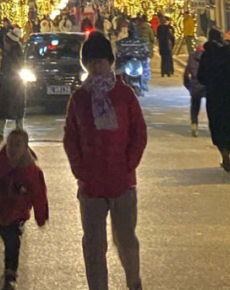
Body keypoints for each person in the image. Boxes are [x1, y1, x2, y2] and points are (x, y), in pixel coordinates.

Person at [63, 32, 147, 290]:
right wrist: (81, 171)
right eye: (91, 62)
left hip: (122, 183)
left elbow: (139, 133)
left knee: (126, 240)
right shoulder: (79, 98)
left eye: (100, 61)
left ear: (109, 62)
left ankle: (134, 282)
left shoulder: (124, 94)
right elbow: (71, 138)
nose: (96, 66)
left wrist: (128, 164)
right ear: (85, 64)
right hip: (91, 187)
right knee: (93, 246)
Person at [0, 127, 49, 289]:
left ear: (25, 148)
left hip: (18, 212)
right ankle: (9, 266)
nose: (13, 149)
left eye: (18, 145)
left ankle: (11, 272)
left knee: (13, 241)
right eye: (10, 144)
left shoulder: (31, 171)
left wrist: (41, 215)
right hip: (1, 210)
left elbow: (39, 194)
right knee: (6, 235)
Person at [196, 27, 230, 170]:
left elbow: (201, 77)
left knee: (217, 124)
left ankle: (224, 153)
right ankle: (228, 150)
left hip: (214, 94)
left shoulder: (207, 56)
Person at [0, 29, 26, 138]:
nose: (4, 44)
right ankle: (0, 131)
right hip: (7, 84)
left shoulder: (16, 54)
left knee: (16, 109)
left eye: (6, 42)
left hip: (14, 86)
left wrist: (4, 75)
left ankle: (19, 130)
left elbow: (16, 68)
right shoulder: (7, 53)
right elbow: (3, 67)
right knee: (2, 108)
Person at [182, 40, 204, 136]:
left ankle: (194, 123)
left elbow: (186, 74)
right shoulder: (210, 56)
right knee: (211, 106)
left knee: (195, 106)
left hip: (195, 84)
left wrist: (188, 85)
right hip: (207, 85)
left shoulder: (192, 56)